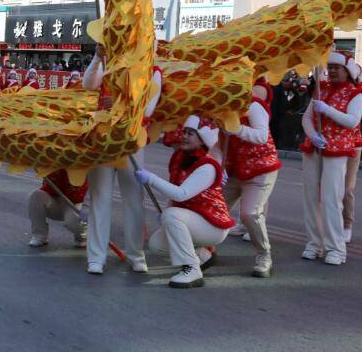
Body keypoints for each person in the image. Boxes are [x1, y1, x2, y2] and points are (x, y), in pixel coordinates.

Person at [82, 44, 163, 275]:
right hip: (104, 139)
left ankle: (136, 254)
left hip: (131, 141)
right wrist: (98, 58)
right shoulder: (110, 64)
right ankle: (96, 257)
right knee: (100, 197)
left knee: (134, 199)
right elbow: (89, 84)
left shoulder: (152, 70)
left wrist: (118, 106)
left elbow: (147, 110)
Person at [136, 115, 234, 288]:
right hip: (196, 220)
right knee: (157, 244)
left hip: (213, 226)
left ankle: (192, 268)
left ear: (202, 139)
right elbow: (174, 193)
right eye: (184, 132)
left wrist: (151, 179)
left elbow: (181, 194)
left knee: (172, 215)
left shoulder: (207, 166)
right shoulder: (181, 159)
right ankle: (201, 255)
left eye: (191, 134)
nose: (184, 136)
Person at [299, 50, 362, 265]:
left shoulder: (356, 94)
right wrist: (313, 135)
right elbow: (307, 118)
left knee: (331, 200)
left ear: (348, 71)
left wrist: (327, 110)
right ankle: (313, 243)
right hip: (314, 148)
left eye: (338, 68)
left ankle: (336, 248)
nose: (333, 71)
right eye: (332, 67)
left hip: (337, 151)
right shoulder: (320, 89)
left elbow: (352, 121)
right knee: (311, 199)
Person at [221, 78, 280, 278]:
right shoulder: (219, 109)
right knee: (213, 208)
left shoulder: (253, 105)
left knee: (249, 214)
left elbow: (261, 136)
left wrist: (236, 128)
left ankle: (264, 255)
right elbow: (218, 142)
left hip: (261, 169)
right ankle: (203, 248)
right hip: (235, 171)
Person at [343, 64, 362, 243]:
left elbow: (354, 119)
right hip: (330, 144)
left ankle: (347, 224)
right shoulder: (330, 89)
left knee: (346, 188)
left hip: (352, 144)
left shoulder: (357, 93)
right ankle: (330, 224)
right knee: (328, 188)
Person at [27, 169, 88, 248]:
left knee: (74, 218)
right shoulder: (52, 165)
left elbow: (79, 197)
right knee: (36, 195)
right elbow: (48, 190)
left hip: (76, 203)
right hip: (56, 201)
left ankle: (82, 237)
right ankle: (39, 235)